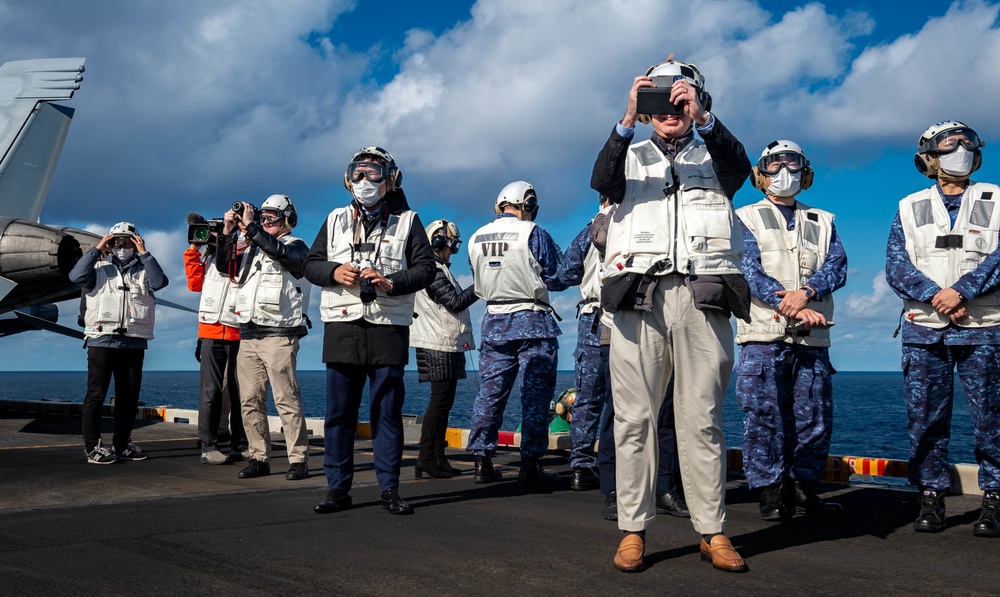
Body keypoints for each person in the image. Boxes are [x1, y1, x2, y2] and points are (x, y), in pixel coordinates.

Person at [591, 57, 751, 573]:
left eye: (679, 96)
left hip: (702, 299)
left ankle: (713, 531)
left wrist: (703, 118)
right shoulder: (629, 153)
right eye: (658, 98)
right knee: (634, 420)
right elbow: (602, 178)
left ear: (698, 99)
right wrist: (627, 116)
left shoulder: (716, 153)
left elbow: (739, 169)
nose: (670, 107)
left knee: (702, 420)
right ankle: (633, 530)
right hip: (639, 298)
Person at [303, 147, 435, 516]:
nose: (364, 181)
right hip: (342, 325)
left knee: (387, 413)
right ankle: (337, 490)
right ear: (348, 179)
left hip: (387, 328)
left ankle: (389, 489)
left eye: (373, 173)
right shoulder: (334, 219)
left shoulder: (409, 221)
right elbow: (310, 264)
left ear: (389, 179)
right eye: (358, 173)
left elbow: (425, 269)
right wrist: (334, 272)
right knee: (339, 414)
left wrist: (390, 282)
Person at [885, 120, 1000, 537]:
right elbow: (896, 265)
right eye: (951, 144)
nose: (961, 149)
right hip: (925, 329)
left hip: (984, 327)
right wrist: (939, 295)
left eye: (968, 143)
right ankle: (930, 496)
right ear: (930, 157)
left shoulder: (996, 199)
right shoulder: (908, 207)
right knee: (925, 419)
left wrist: (963, 291)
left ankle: (995, 498)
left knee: (993, 419)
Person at [735, 140, 847, 521]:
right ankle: (770, 490)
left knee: (813, 415)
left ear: (806, 172)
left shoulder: (823, 220)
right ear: (761, 174)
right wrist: (789, 303)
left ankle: (802, 486)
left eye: (793, 164)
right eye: (775, 164)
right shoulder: (744, 217)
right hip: (764, 333)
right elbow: (746, 268)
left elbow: (837, 266)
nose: (785, 171)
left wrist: (807, 293)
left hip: (813, 335)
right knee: (763, 414)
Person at [467, 181, 567, 487]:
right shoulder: (533, 233)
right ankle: (530, 463)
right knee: (534, 396)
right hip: (532, 319)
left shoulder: (475, 238)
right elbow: (556, 277)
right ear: (528, 205)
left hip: (494, 319)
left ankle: (482, 460)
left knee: (490, 394)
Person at [216, 194, 311, 482]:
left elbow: (285, 256)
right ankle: (258, 457)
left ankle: (298, 460)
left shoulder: (297, 247)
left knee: (287, 400)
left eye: (272, 216)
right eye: (263, 216)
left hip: (279, 336)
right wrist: (228, 232)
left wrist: (252, 230)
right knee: (249, 401)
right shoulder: (252, 248)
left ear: (287, 219)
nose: (266, 220)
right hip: (249, 334)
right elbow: (223, 266)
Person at [69, 222, 168, 464]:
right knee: (95, 395)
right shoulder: (98, 267)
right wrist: (98, 246)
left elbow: (159, 282)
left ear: (136, 243)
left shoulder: (144, 269)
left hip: (133, 343)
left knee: (129, 397)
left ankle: (121, 444)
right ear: (111, 244)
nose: (123, 247)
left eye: (128, 242)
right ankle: (92, 447)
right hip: (101, 341)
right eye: (118, 242)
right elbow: (76, 276)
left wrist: (144, 253)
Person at [410, 219, 479, 479]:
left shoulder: (439, 269)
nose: (453, 251)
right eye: (451, 245)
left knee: (444, 402)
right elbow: (454, 301)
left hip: (444, 342)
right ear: (437, 242)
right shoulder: (433, 271)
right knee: (439, 402)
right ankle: (427, 457)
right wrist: (482, 285)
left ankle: (437, 457)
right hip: (436, 342)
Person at [183, 213, 248, 464]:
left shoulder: (242, 255)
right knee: (210, 391)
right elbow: (194, 284)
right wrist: (194, 248)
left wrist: (233, 235)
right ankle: (208, 445)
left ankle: (239, 443)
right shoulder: (207, 258)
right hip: (210, 331)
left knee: (239, 390)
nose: (215, 235)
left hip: (237, 330)